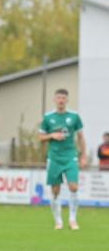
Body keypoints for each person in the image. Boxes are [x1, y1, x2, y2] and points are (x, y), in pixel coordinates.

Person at [38, 89, 87, 230]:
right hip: (54, 158)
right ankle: (58, 221)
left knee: (74, 186)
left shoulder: (74, 116)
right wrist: (52, 135)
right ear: (55, 99)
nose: (61, 100)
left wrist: (83, 156)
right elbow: (40, 137)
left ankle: (72, 219)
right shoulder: (48, 117)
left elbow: (81, 137)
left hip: (71, 156)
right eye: (59, 98)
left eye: (63, 98)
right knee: (55, 190)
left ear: (67, 100)